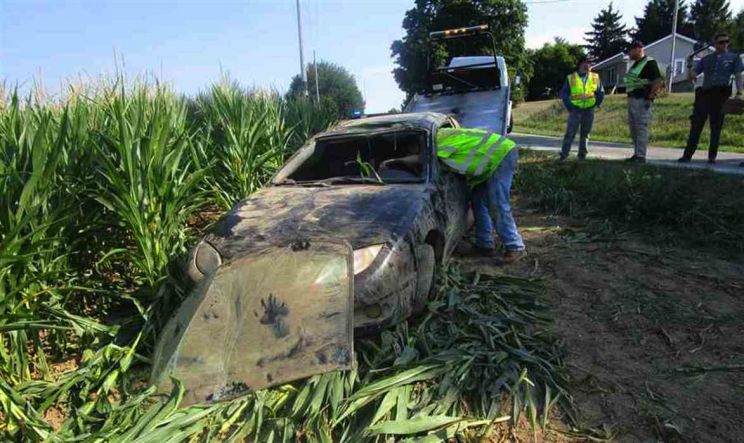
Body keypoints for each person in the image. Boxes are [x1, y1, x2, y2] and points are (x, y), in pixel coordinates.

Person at [436, 128, 526, 264]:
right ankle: (484, 245)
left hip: (501, 155)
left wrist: (400, 160)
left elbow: (422, 159)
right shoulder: (442, 134)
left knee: (497, 203)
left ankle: (515, 247)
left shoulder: (438, 143)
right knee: (478, 201)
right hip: (493, 158)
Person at [679, 32, 743, 164]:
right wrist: (689, 65)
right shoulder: (706, 59)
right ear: (715, 43)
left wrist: (739, 92)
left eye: (727, 42)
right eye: (721, 42)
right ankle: (687, 155)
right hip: (705, 93)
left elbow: (738, 75)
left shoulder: (734, 58)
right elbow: (691, 77)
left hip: (721, 94)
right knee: (696, 125)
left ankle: (712, 157)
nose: (724, 44)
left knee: (716, 126)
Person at [624, 40, 664, 162]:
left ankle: (641, 156)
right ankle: (636, 153)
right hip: (632, 99)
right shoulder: (635, 65)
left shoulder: (649, 63)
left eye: (630, 51)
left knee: (641, 128)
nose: (629, 54)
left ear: (638, 49)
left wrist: (650, 97)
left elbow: (657, 81)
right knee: (634, 129)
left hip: (642, 99)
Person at [559, 56, 605, 160]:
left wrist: (596, 104)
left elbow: (601, 92)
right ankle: (564, 154)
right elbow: (564, 94)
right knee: (570, 133)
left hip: (589, 110)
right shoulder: (571, 77)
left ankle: (582, 155)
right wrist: (570, 107)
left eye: (591, 63)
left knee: (585, 133)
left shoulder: (595, 77)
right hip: (575, 110)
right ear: (581, 63)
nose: (590, 65)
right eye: (588, 62)